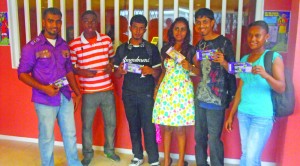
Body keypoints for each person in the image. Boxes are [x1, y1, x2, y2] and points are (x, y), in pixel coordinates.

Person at [17, 7, 82, 166]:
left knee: (70, 134)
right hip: (44, 99)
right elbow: (22, 74)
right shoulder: (32, 47)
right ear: (44, 22)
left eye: (58, 21)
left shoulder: (63, 45)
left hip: (65, 95)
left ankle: (73, 163)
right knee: (46, 137)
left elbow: (69, 71)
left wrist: (77, 93)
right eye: (51, 21)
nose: (55, 25)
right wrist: (44, 88)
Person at [225, 20, 285, 166]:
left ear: (266, 37)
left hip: (262, 116)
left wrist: (266, 75)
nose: (253, 39)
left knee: (251, 157)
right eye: (250, 35)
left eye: (257, 35)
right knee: (247, 155)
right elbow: (241, 88)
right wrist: (232, 115)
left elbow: (281, 87)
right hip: (244, 113)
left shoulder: (273, 57)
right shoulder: (245, 59)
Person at [69, 10, 120, 166]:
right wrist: (80, 71)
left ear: (97, 22)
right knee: (87, 125)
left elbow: (112, 59)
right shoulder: (75, 44)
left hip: (106, 90)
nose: (89, 24)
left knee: (111, 122)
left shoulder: (106, 40)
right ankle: (88, 153)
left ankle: (109, 150)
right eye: (86, 21)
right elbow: (71, 67)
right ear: (81, 23)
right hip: (88, 92)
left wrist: (110, 66)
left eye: (92, 21)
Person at [113, 15, 161, 166]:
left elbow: (159, 72)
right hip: (129, 94)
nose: (138, 31)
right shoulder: (122, 49)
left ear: (145, 30)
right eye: (135, 27)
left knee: (149, 128)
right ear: (130, 28)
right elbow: (116, 74)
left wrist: (150, 71)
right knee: (133, 126)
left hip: (147, 94)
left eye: (141, 28)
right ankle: (138, 156)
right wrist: (120, 71)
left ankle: (153, 159)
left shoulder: (151, 49)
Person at [152, 17, 200, 166]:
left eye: (183, 29)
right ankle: (166, 160)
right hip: (166, 90)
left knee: (180, 128)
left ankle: (180, 162)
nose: (179, 32)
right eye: (176, 28)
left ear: (187, 32)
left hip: (182, 91)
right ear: (172, 30)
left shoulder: (192, 49)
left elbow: (199, 72)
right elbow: (163, 71)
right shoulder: (166, 48)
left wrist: (190, 67)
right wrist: (157, 88)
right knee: (166, 127)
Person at [193, 8, 236, 166]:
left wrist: (223, 62)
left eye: (205, 22)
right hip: (200, 97)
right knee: (199, 137)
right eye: (198, 22)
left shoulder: (224, 42)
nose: (202, 25)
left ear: (212, 22)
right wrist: (192, 64)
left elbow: (233, 69)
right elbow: (199, 72)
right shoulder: (200, 44)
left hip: (217, 99)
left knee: (214, 139)